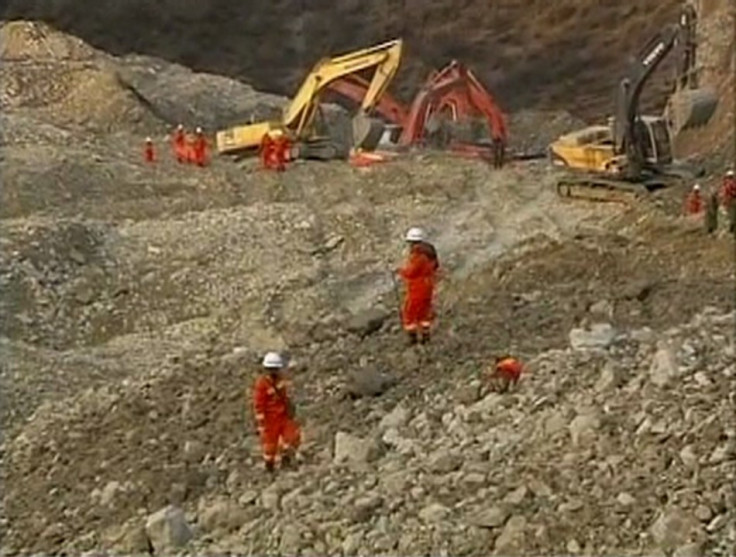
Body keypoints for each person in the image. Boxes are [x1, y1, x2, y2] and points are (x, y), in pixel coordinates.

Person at [252, 352, 301, 473]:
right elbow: (259, 404)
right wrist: (261, 423)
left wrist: (290, 408)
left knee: (292, 436)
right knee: (270, 445)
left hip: (282, 416)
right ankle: (269, 466)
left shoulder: (280, 380)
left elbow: (284, 396)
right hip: (270, 420)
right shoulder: (262, 384)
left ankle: (286, 459)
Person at [397, 227, 440, 345]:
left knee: (410, 312)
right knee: (424, 312)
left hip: (417, 288)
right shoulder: (430, 253)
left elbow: (411, 272)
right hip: (428, 286)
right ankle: (425, 336)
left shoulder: (418, 256)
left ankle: (413, 338)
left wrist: (400, 271)